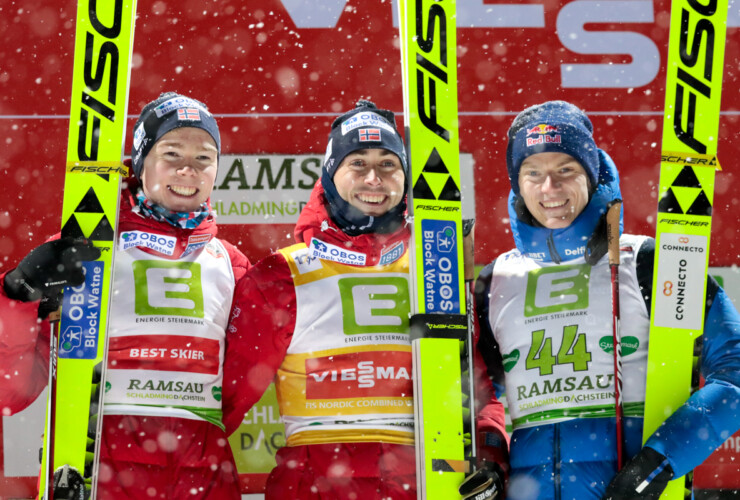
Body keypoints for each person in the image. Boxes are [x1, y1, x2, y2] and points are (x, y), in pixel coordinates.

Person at [223, 100, 509, 499]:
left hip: (423, 480)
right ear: (329, 173)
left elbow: (473, 387)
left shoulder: (434, 269)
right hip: (316, 485)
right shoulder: (280, 276)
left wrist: (491, 457)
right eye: (357, 163)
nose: (374, 178)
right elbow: (225, 399)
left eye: (388, 164)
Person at [474, 100, 740, 500]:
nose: (550, 188)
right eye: (533, 173)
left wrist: (659, 463)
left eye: (566, 169)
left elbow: (733, 372)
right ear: (517, 183)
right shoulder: (495, 280)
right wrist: (489, 458)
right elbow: (479, 396)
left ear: (592, 173)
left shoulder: (649, 261)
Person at [0, 92, 250, 499]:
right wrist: (17, 294)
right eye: (171, 153)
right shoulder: (84, 252)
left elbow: (244, 382)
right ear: (140, 161)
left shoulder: (232, 264)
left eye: (204, 157)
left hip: (202, 476)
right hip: (100, 466)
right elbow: (9, 390)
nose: (189, 169)